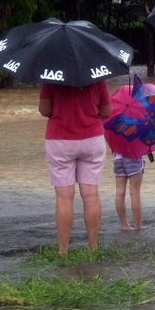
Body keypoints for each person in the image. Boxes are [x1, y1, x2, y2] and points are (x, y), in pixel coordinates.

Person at [38, 81, 111, 255]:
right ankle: (93, 248)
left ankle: (63, 251)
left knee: (64, 197)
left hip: (59, 139)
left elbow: (44, 110)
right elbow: (106, 111)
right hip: (92, 139)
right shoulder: (97, 77)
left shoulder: (51, 77)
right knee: (91, 194)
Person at [113, 153, 144, 230]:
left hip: (118, 158)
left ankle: (124, 225)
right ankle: (138, 225)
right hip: (134, 157)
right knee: (135, 192)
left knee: (119, 193)